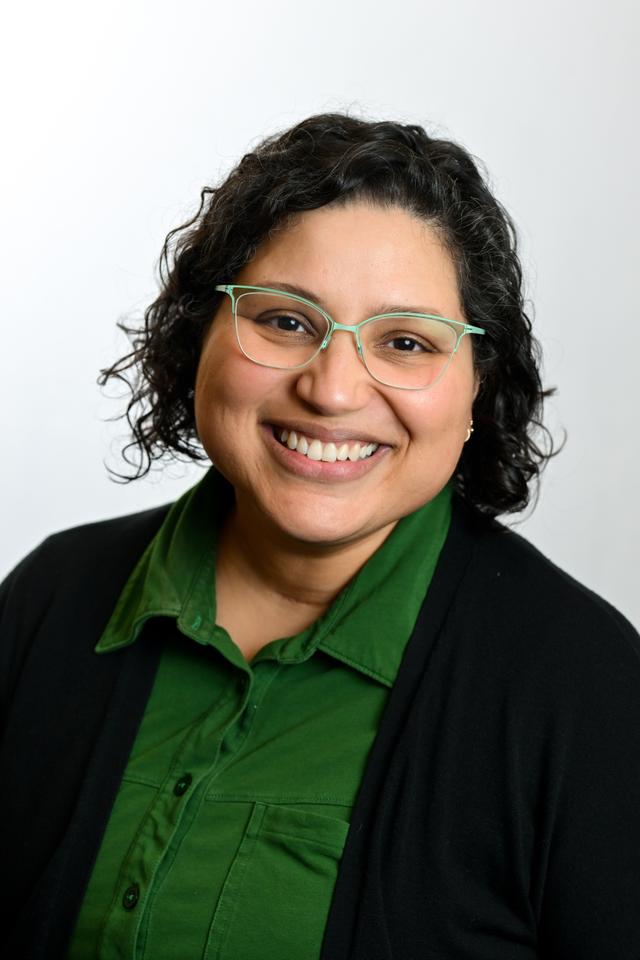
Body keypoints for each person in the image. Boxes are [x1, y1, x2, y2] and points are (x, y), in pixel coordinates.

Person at [1, 112, 639, 960]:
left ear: (477, 388)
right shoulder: (53, 596)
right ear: (204, 332)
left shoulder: (584, 685)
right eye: (286, 322)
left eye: (405, 342)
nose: (333, 390)